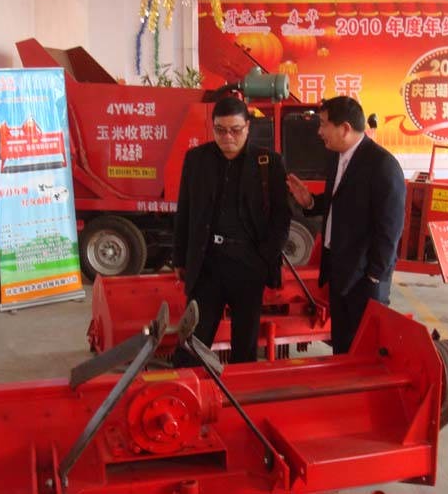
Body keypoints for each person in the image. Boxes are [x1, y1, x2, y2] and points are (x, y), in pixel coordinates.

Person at [172, 96, 291, 365]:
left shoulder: (268, 163)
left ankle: (240, 390)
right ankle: (188, 386)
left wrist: (265, 258)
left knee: (244, 347)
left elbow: (282, 218)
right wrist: (179, 258)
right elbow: (185, 211)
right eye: (220, 130)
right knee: (193, 342)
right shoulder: (196, 160)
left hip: (248, 266)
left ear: (248, 127)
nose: (227, 137)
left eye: (235, 130)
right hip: (207, 264)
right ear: (213, 127)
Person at [286, 96, 405, 354]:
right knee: (341, 347)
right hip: (339, 272)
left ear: (345, 128)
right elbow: (340, 203)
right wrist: (310, 202)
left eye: (323, 124)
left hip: (364, 279)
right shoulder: (337, 158)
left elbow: (390, 229)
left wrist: (375, 276)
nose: (319, 131)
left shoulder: (382, 165)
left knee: (364, 351)